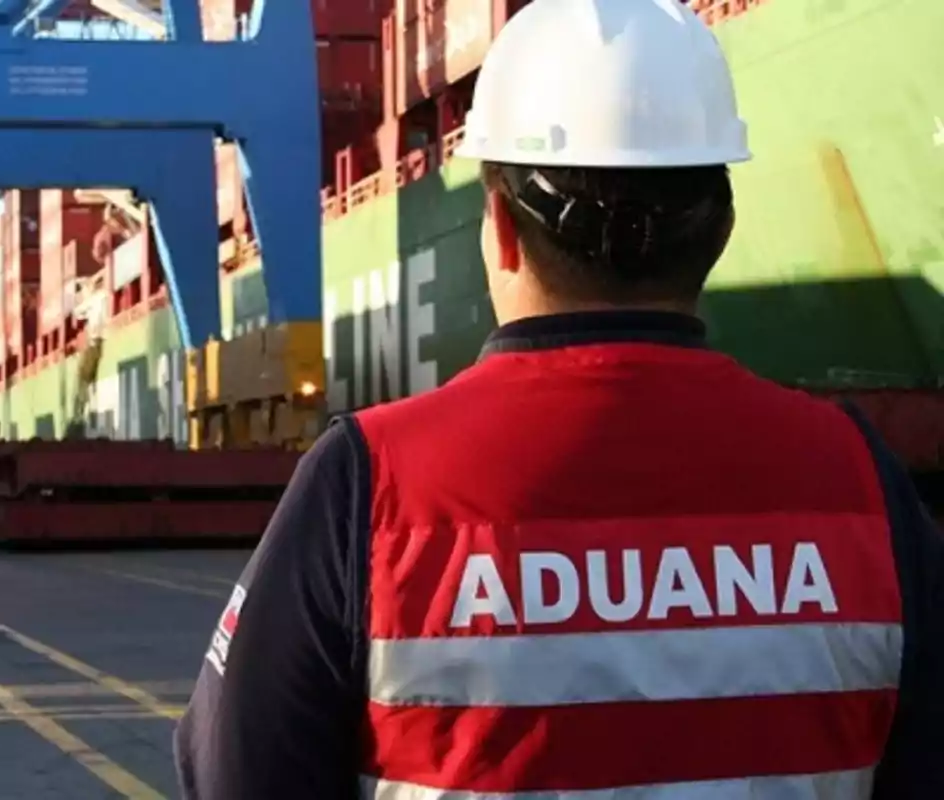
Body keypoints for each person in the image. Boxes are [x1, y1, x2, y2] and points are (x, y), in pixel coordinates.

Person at [174, 0, 944, 797]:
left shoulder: (368, 485)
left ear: (501, 225)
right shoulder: (862, 482)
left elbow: (234, 773)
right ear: (719, 228)